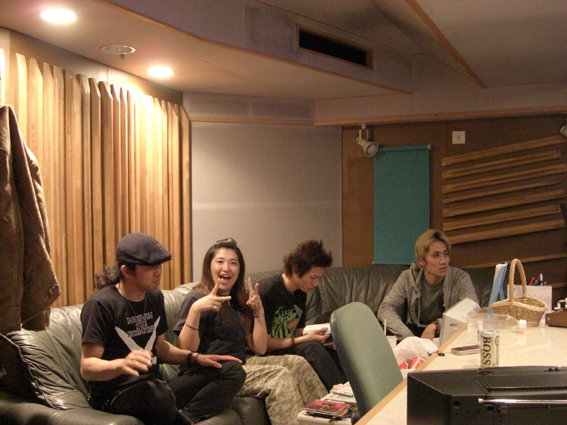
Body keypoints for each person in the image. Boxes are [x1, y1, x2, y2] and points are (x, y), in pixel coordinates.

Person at [80, 232, 245, 425]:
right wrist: (121, 364)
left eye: (159, 265)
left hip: (156, 388)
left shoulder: (154, 297)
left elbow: (161, 348)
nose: (158, 272)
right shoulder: (101, 305)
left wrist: (197, 358)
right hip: (115, 394)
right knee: (156, 393)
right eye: (150, 267)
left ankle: (188, 418)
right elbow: (87, 367)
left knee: (232, 370)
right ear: (126, 271)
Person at [174, 238, 327, 425]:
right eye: (220, 261)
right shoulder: (196, 298)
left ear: (239, 270)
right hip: (213, 373)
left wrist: (258, 312)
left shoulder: (238, 300)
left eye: (233, 263)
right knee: (279, 376)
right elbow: (185, 350)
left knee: (297, 363)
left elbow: (260, 348)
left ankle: (329, 417)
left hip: (242, 362)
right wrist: (196, 310)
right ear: (209, 266)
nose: (226, 268)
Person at [257, 239, 345, 391]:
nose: (315, 284)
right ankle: (340, 395)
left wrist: (324, 334)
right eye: (313, 277)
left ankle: (351, 392)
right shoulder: (268, 291)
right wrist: (304, 339)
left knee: (334, 351)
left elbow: (296, 330)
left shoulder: (300, 292)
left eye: (318, 278)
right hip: (269, 352)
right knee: (312, 348)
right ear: (296, 270)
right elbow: (265, 344)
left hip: (288, 344)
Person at [378, 229, 479, 342]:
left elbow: (473, 310)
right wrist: (410, 338)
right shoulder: (408, 278)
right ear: (422, 261)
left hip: (446, 334)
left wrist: (437, 325)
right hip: (416, 334)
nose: (443, 261)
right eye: (436, 255)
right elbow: (385, 308)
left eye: (445, 254)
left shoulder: (460, 278)